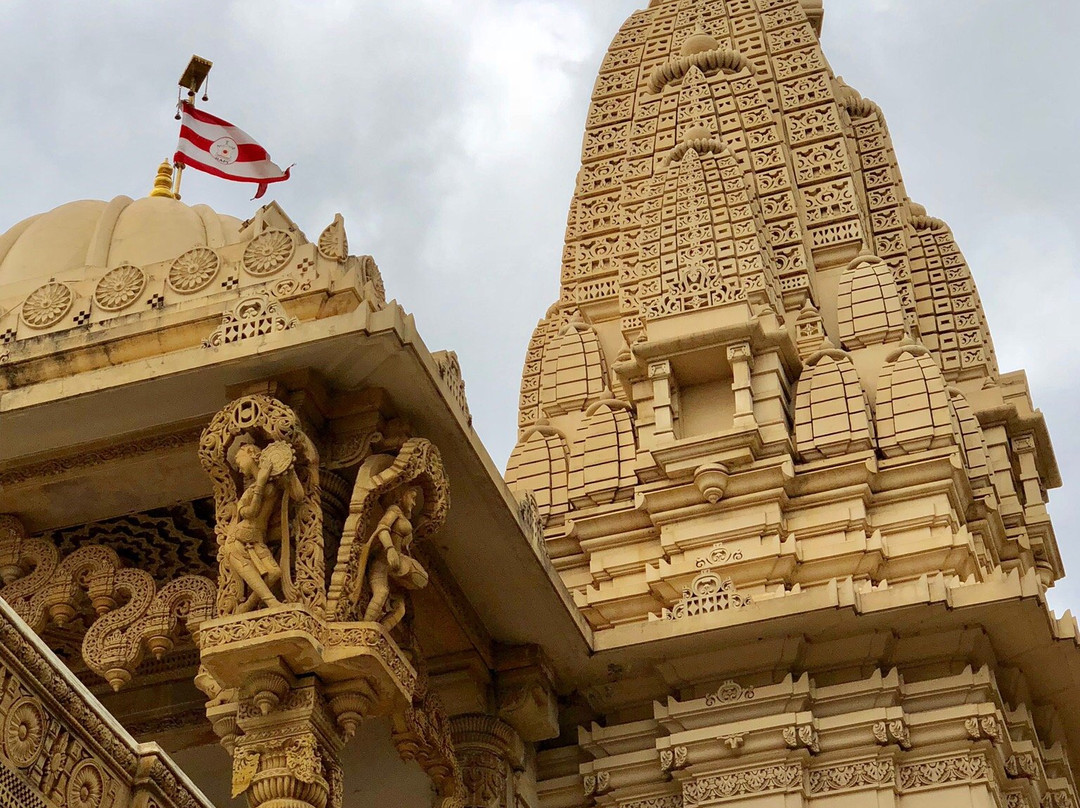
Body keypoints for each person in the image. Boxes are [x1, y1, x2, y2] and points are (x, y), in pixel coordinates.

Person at [223, 435, 303, 612]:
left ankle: (247, 606)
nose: (238, 466)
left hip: (257, 539)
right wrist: (259, 482)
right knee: (267, 575)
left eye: (238, 459)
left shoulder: (274, 481)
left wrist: (289, 469)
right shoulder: (252, 488)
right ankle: (272, 602)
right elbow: (249, 513)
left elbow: (299, 496)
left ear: (250, 453)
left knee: (274, 573)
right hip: (238, 541)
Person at [363, 486, 429, 629]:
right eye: (412, 497)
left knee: (400, 609)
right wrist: (390, 549)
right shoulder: (394, 510)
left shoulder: (405, 518)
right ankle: (363, 629)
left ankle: (377, 634)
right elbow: (382, 529)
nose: (414, 503)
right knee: (381, 592)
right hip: (382, 562)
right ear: (402, 495)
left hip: (394, 568)